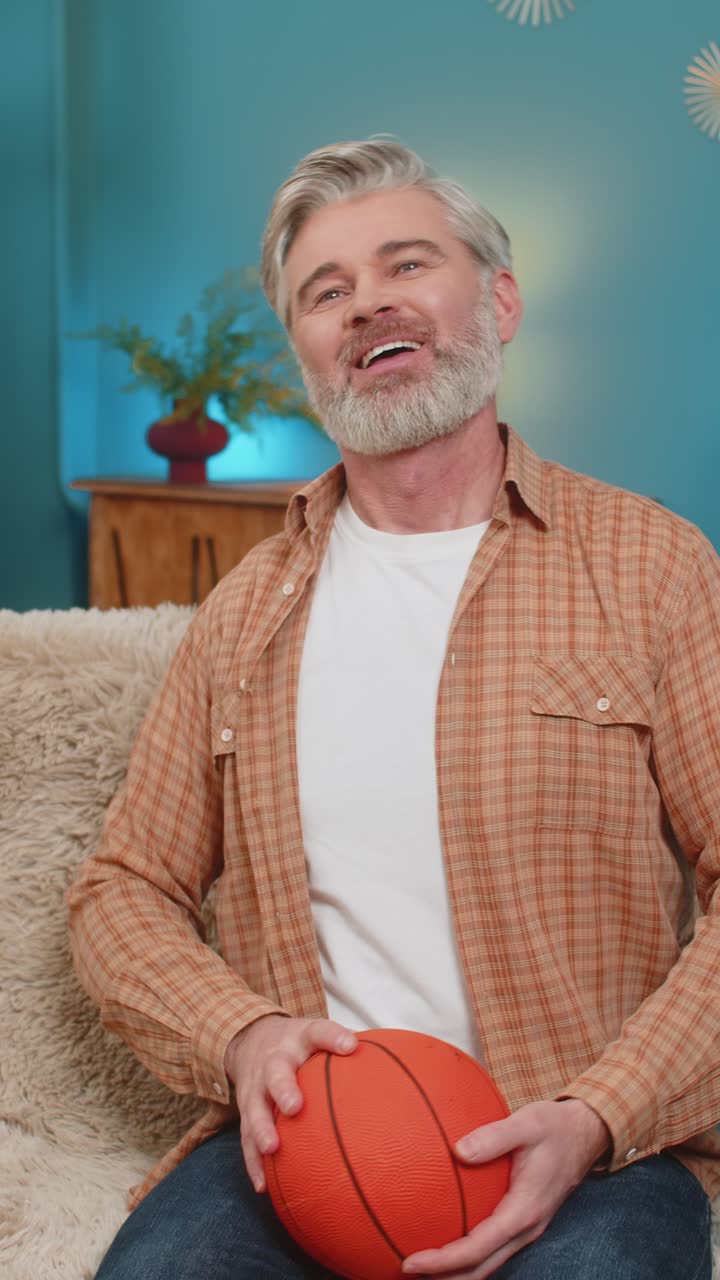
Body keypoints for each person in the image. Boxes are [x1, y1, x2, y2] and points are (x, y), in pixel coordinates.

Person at [68, 138, 718, 1280]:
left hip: (589, 1139)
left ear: (499, 300)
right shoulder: (243, 614)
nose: (367, 305)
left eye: (406, 264)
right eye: (328, 291)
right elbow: (122, 889)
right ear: (306, 349)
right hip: (310, 1151)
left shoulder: (656, 568)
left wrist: (603, 1109)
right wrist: (243, 1033)